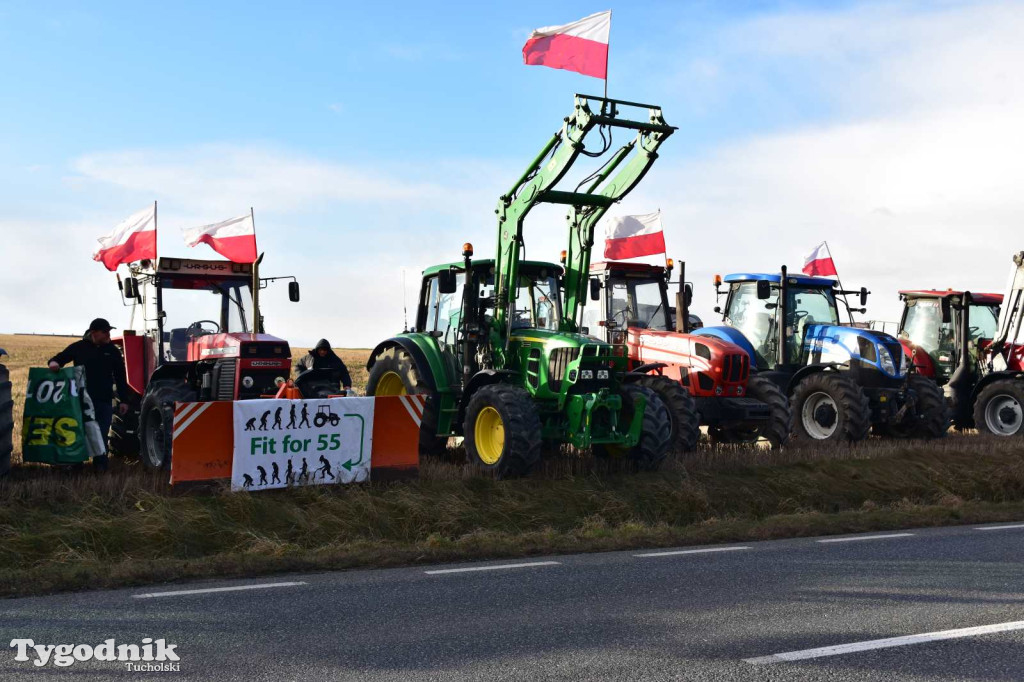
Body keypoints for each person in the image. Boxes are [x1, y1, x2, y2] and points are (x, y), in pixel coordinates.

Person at [48, 318, 130, 471]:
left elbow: (120, 377)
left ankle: (100, 466)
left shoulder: (112, 351)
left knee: (101, 435)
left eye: (109, 331)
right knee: (79, 433)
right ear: (93, 333)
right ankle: (76, 465)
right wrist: (54, 364)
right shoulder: (78, 348)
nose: (108, 335)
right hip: (81, 402)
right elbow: (58, 359)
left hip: (104, 401)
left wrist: (124, 400)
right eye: (105, 332)